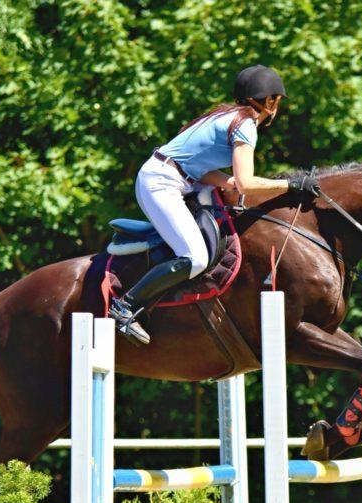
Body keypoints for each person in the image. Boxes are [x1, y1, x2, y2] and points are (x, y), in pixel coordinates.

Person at [109, 64, 319, 344]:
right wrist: (291, 185)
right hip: (161, 183)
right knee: (195, 258)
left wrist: (230, 183)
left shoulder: (226, 114)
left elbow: (202, 171)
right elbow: (246, 183)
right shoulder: (246, 125)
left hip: (175, 177)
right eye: (277, 100)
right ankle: (125, 306)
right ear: (269, 101)